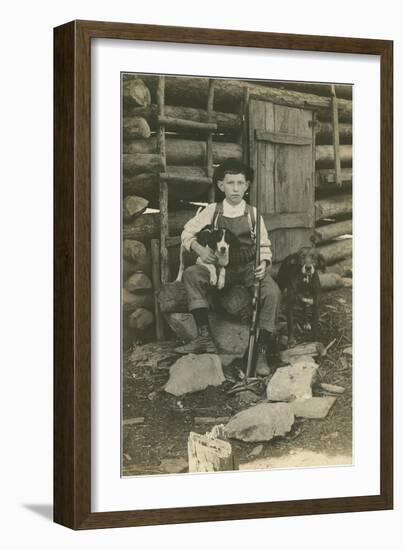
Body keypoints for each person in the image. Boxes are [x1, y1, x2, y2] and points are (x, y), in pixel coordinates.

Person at [174, 158, 281, 376]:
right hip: (218, 266)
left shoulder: (253, 215)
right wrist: (200, 249)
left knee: (272, 292)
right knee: (192, 274)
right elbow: (186, 232)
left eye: (240, 183)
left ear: (247, 186)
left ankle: (260, 351)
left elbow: (264, 245)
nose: (235, 189)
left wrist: (263, 264)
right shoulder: (212, 211)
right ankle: (204, 338)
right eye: (230, 183)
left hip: (247, 268)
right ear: (221, 186)